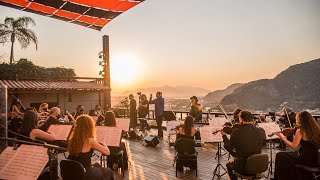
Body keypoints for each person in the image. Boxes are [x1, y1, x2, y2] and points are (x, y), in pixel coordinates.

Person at [273, 111, 320, 180]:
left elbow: (293, 146)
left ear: (300, 120)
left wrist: (283, 138)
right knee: (289, 155)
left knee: (280, 156)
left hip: (305, 158)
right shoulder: (316, 129)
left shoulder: (300, 131)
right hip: (315, 158)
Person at [220, 110, 266, 180]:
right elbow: (263, 144)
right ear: (252, 119)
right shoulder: (261, 130)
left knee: (228, 165)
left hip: (244, 167)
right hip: (257, 164)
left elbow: (228, 146)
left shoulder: (237, 131)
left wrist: (224, 136)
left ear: (241, 119)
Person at [68, 115, 114, 180]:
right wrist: (104, 144)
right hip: (85, 172)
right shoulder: (90, 141)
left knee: (97, 165)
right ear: (90, 126)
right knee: (108, 171)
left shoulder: (72, 139)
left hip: (73, 171)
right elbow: (107, 152)